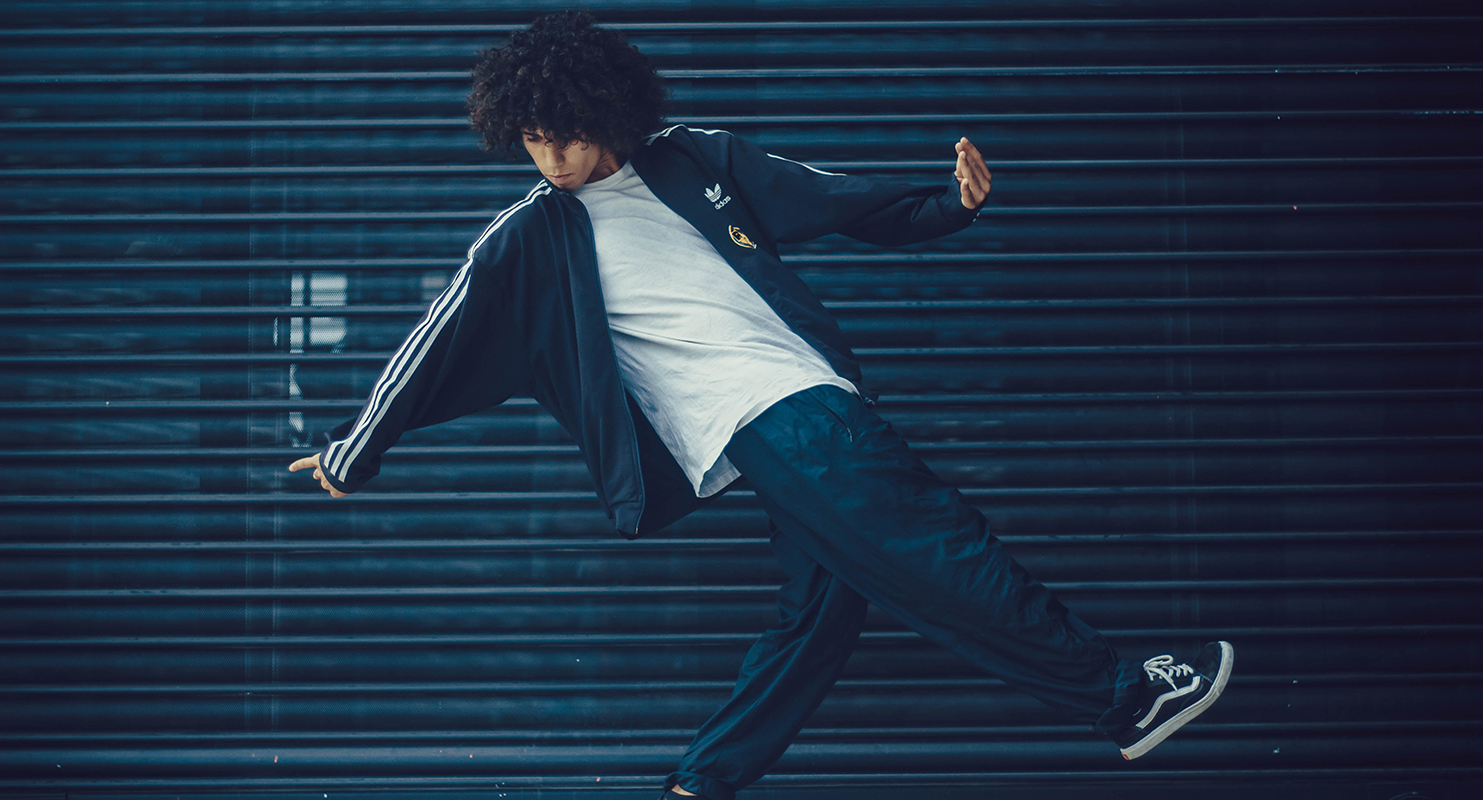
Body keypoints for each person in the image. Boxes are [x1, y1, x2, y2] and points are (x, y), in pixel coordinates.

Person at [289, 11, 1233, 799]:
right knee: (942, 547)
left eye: (566, 134)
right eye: (532, 139)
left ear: (606, 112)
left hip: (803, 404)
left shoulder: (691, 158)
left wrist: (948, 206)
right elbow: (436, 337)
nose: (552, 157)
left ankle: (703, 782)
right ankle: (1125, 697)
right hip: (768, 420)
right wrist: (353, 451)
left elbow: (832, 199)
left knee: (819, 617)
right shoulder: (529, 235)